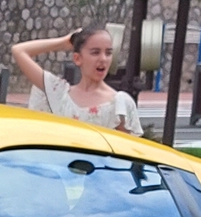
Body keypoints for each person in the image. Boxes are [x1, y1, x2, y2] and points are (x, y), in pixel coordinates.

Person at [8, 26, 146, 135]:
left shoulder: (119, 104)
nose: (103, 59)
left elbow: (127, 157)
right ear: (77, 58)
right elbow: (19, 51)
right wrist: (64, 42)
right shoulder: (59, 92)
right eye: (95, 52)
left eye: (108, 53)